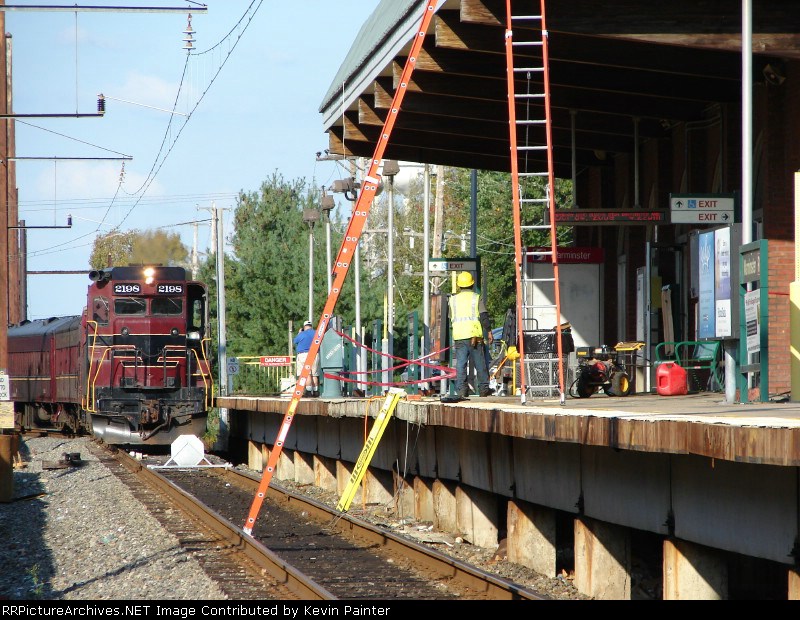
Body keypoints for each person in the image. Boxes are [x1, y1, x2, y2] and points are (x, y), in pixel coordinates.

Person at [448, 271, 493, 398]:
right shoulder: (476, 298)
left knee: (461, 364)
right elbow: (484, 316)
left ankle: (462, 390)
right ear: (472, 284)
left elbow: (450, 318)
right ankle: (483, 389)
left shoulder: (453, 300)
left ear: (459, 285)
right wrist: (489, 331)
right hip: (474, 335)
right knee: (480, 362)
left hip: (459, 336)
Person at [293, 320, 320, 397]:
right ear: (311, 326)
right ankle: (316, 391)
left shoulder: (302, 334)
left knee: (307, 373)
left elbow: (295, 341)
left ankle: (308, 391)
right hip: (315, 354)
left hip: (303, 355)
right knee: (314, 374)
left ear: (304, 327)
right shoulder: (316, 333)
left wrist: (299, 333)